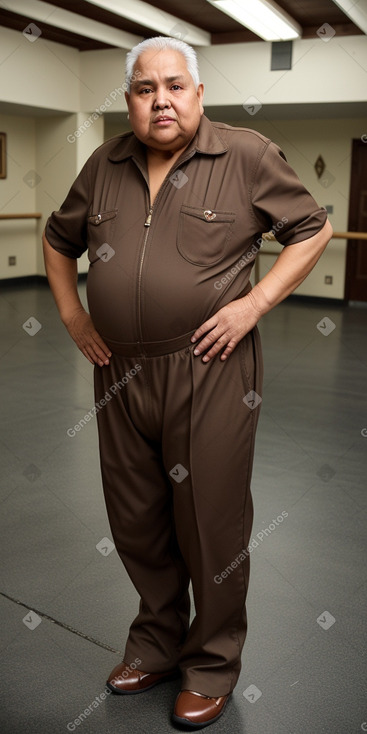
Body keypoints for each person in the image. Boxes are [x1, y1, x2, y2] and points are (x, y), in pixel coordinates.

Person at [43, 35, 332, 730]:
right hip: (120, 371)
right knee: (137, 519)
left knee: (210, 523)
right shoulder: (105, 163)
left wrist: (254, 304)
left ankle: (211, 664)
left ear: (198, 93)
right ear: (130, 100)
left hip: (208, 367)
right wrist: (74, 312)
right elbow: (59, 239)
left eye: (174, 85)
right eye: (144, 89)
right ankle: (157, 642)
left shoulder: (246, 155)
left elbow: (311, 227)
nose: (160, 100)